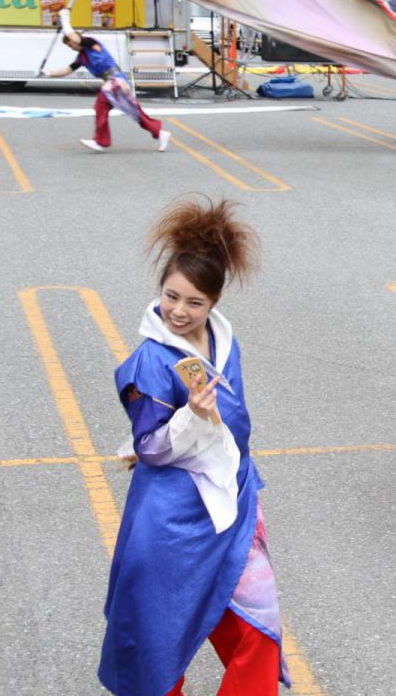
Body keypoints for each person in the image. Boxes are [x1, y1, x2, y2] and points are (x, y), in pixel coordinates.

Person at [98, 198, 289, 696]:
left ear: (216, 302)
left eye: (194, 302)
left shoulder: (225, 341)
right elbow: (153, 448)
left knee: (258, 629)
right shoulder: (149, 362)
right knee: (163, 637)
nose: (178, 311)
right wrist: (192, 417)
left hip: (233, 504)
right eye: (171, 296)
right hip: (171, 519)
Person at [41, 10, 170, 153]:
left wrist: (65, 20)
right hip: (112, 83)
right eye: (69, 46)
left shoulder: (91, 43)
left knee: (105, 106)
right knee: (130, 111)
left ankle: (101, 141)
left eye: (71, 44)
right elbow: (67, 70)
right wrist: (49, 73)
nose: (72, 47)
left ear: (75, 39)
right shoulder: (81, 57)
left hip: (116, 80)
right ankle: (159, 132)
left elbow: (76, 38)